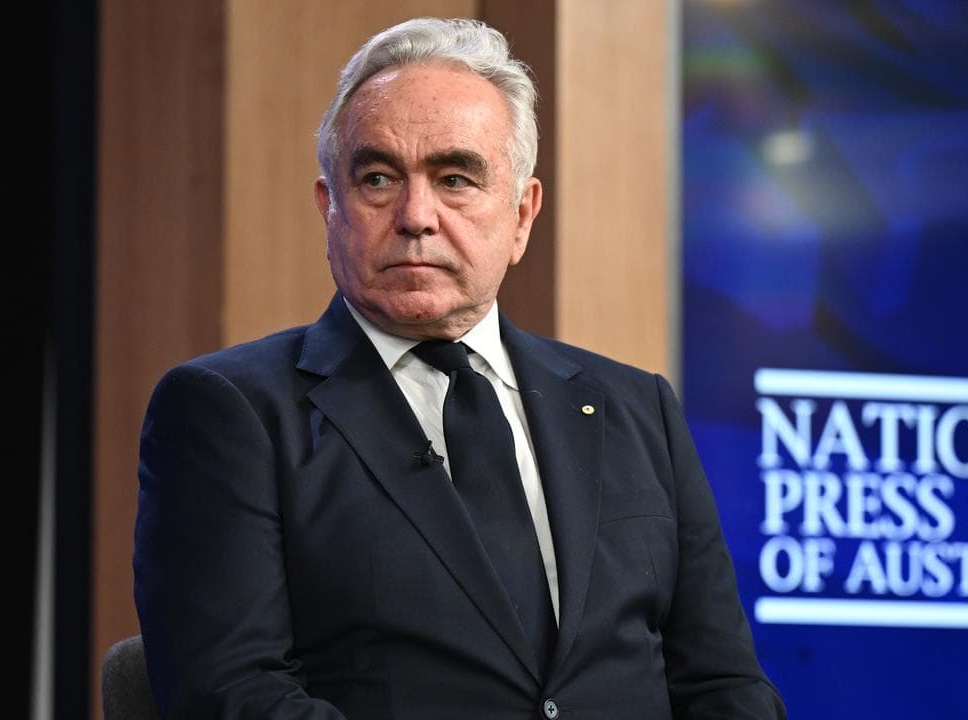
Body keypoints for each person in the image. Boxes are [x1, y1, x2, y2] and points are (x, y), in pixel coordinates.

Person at [134, 16, 785, 720]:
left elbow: (724, 686)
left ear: (522, 216)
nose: (416, 215)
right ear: (331, 208)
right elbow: (234, 695)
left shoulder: (638, 409)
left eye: (455, 178)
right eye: (378, 178)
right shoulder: (230, 411)